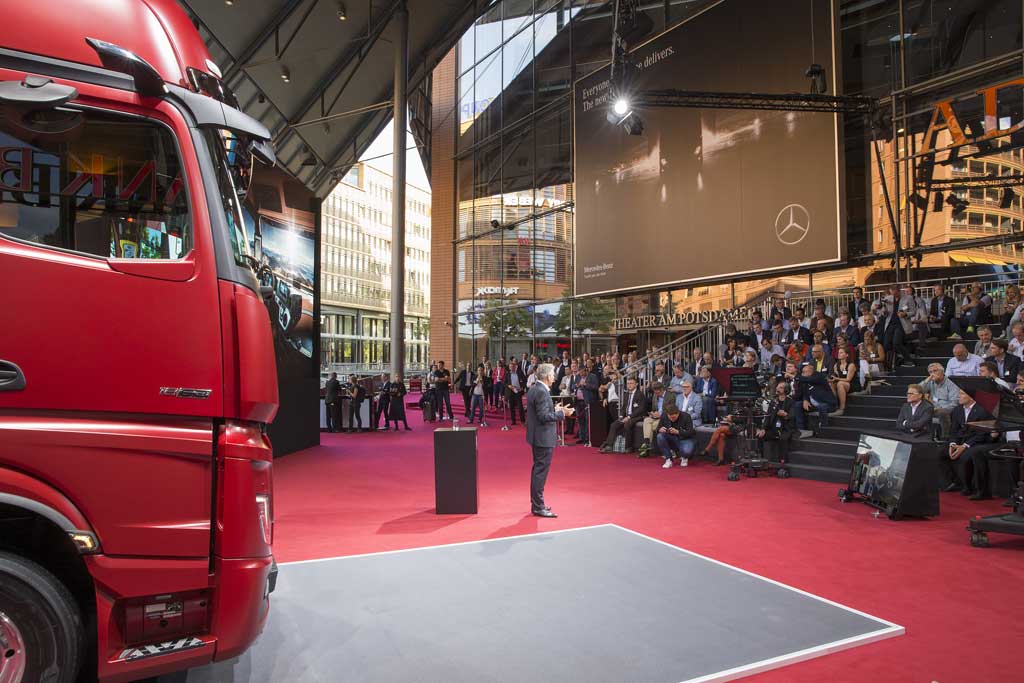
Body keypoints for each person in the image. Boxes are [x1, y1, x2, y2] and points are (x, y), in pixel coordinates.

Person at [526, 363, 572, 518]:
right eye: (552, 374)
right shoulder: (541, 392)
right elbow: (543, 417)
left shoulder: (534, 389)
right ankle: (538, 506)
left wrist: (555, 410)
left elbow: (542, 412)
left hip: (537, 436)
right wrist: (562, 413)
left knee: (537, 471)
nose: (554, 377)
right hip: (542, 437)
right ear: (546, 376)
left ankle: (537, 504)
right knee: (540, 472)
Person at [941, 389, 994, 495]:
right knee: (940, 452)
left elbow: (982, 434)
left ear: (970, 397)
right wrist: (953, 444)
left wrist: (965, 446)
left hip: (976, 441)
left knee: (964, 456)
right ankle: (951, 482)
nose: (958, 396)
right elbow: (954, 430)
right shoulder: (957, 410)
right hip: (959, 440)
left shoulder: (982, 410)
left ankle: (967, 486)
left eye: (961, 394)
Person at [599, 375, 647, 454]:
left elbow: (641, 409)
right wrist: (621, 416)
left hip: (638, 416)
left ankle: (628, 447)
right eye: (628, 383)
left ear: (636, 384)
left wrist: (629, 417)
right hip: (627, 416)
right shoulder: (626, 394)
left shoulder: (640, 394)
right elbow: (623, 408)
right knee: (613, 425)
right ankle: (609, 446)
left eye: (631, 383)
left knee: (627, 424)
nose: (629, 385)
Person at [793, 363, 838, 437]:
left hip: (828, 404)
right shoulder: (805, 381)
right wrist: (805, 400)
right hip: (814, 404)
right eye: (802, 372)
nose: (802, 374)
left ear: (810, 371)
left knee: (822, 406)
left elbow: (809, 379)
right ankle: (801, 430)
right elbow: (805, 392)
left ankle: (824, 430)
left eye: (804, 372)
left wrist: (796, 377)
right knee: (798, 405)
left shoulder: (819, 377)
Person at [757, 381, 796, 463]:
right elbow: (767, 416)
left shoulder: (791, 402)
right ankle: (760, 459)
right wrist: (763, 429)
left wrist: (785, 415)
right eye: (778, 387)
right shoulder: (773, 402)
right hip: (773, 428)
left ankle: (782, 462)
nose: (778, 388)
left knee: (783, 438)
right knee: (760, 435)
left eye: (781, 387)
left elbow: (792, 416)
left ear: (786, 390)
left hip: (785, 428)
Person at [919, 363, 959, 437]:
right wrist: (926, 381)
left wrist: (939, 408)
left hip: (947, 409)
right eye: (930, 372)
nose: (932, 374)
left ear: (942, 372)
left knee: (941, 412)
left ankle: (945, 437)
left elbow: (955, 402)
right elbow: (916, 391)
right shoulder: (930, 382)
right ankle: (922, 434)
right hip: (933, 408)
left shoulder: (951, 383)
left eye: (935, 371)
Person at [657, 402, 697, 468]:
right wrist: (660, 429)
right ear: (667, 414)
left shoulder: (686, 416)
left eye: (674, 417)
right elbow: (658, 428)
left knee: (687, 451)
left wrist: (678, 432)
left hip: (685, 439)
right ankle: (668, 459)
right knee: (660, 436)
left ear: (678, 413)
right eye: (670, 418)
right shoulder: (664, 415)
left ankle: (684, 457)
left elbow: (691, 432)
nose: (672, 419)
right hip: (671, 438)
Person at [828, 346, 859, 415]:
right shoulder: (836, 365)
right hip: (842, 383)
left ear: (847, 355)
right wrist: (832, 379)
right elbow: (836, 376)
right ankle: (835, 404)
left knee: (840, 383)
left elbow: (848, 379)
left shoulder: (851, 365)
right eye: (838, 352)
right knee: (831, 384)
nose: (839, 354)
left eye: (841, 353)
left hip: (852, 384)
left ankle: (842, 407)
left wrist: (837, 379)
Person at [640, 382, 668, 456]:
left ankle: (647, 446)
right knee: (647, 420)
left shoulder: (670, 396)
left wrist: (661, 415)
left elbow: (672, 409)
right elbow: (654, 408)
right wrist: (653, 412)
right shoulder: (655, 395)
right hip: (656, 417)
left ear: (662, 390)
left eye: (658, 392)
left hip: (665, 417)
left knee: (652, 426)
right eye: (655, 392)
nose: (657, 394)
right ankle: (647, 442)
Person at [506, 360, 526, 425]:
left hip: (518, 391)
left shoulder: (519, 373)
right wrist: (508, 386)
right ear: (509, 368)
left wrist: (522, 387)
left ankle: (523, 421)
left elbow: (525, 380)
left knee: (520, 407)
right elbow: (504, 383)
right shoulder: (507, 374)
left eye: (513, 366)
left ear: (515, 367)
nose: (512, 368)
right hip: (511, 392)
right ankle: (513, 421)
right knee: (512, 407)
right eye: (510, 367)